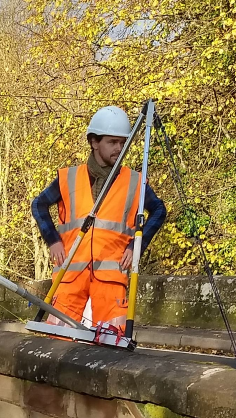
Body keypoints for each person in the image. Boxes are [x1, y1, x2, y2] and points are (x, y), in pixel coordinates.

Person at [32, 106, 166, 329]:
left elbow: (159, 210)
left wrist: (136, 247)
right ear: (94, 142)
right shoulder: (69, 177)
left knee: (112, 343)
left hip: (111, 279)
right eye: (112, 142)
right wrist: (53, 240)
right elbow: (39, 204)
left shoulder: (135, 181)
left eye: (123, 143)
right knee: (58, 341)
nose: (119, 149)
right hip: (70, 275)